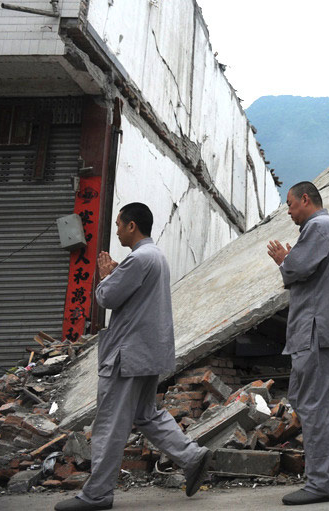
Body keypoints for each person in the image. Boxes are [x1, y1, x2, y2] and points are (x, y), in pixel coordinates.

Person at [55, 203, 210, 511]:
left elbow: (107, 297)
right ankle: (191, 456)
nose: (116, 230)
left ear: (131, 226)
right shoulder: (157, 257)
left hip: (128, 355)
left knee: (110, 424)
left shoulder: (138, 259)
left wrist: (106, 276)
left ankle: (97, 494)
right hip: (148, 353)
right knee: (146, 415)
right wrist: (117, 273)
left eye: (118, 225)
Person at [266, 181, 329, 505]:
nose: (290, 211)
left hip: (315, 330)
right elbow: (308, 270)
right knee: (306, 399)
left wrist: (283, 259)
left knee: (314, 405)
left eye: (291, 204)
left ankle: (321, 482)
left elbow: (296, 269)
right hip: (317, 329)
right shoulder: (326, 228)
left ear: (306, 199)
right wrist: (293, 260)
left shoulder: (318, 226)